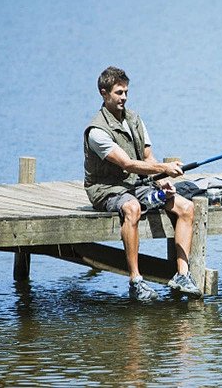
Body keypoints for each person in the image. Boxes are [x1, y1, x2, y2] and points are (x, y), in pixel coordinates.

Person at [84, 66, 201, 301]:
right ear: (104, 93)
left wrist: (164, 182)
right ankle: (136, 280)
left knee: (186, 207)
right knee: (132, 208)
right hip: (107, 189)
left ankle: (182, 275)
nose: (124, 97)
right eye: (118, 93)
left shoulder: (135, 119)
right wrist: (164, 168)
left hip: (137, 184)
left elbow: (148, 158)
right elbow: (127, 164)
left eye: (126, 92)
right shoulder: (97, 131)